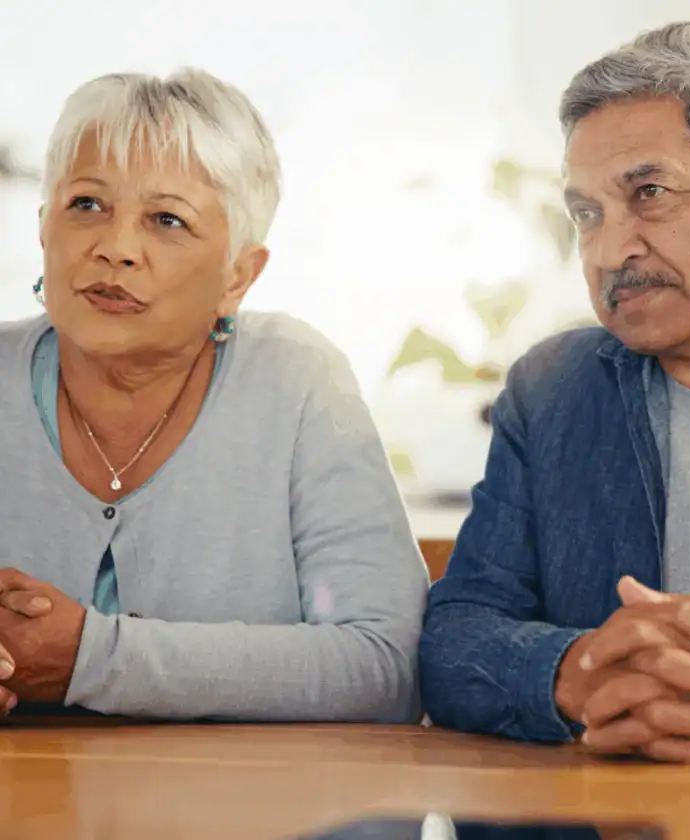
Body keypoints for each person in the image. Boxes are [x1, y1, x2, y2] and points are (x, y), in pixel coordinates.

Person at [419, 21, 690, 762]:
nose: (612, 250)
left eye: (649, 193)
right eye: (588, 214)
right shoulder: (550, 391)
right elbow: (454, 639)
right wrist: (578, 673)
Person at [0, 68, 428, 722]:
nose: (115, 249)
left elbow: (388, 665)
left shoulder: (297, 381)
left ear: (239, 274)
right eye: (86, 205)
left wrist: (92, 657)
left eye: (167, 220)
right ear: (42, 228)